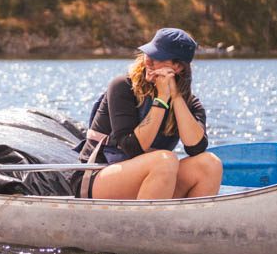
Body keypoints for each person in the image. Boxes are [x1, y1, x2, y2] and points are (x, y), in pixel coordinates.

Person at [75, 27, 223, 200]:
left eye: (158, 56)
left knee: (210, 164)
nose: (149, 61)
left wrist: (175, 96)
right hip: (97, 176)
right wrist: (161, 99)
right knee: (165, 160)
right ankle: (145, 225)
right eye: (148, 53)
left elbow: (196, 148)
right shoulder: (122, 86)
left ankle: (188, 225)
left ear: (178, 67)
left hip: (153, 177)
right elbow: (132, 148)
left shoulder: (190, 103)